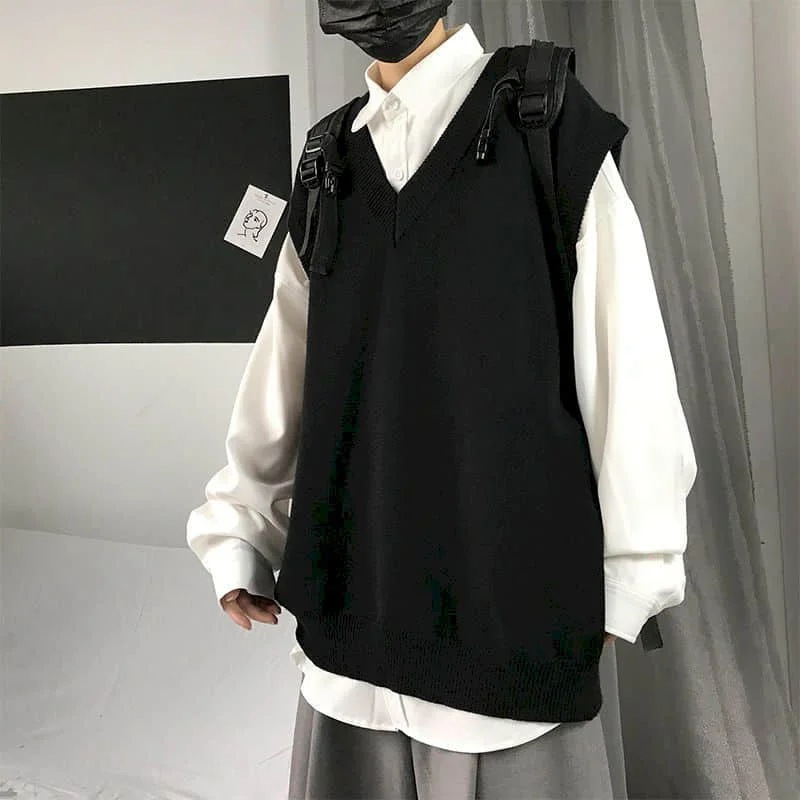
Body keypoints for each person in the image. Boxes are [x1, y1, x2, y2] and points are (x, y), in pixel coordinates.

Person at [187, 5, 698, 798]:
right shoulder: (327, 163)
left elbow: (626, 363)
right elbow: (284, 371)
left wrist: (633, 572)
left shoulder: (544, 121)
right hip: (348, 650)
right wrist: (241, 532)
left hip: (509, 654)